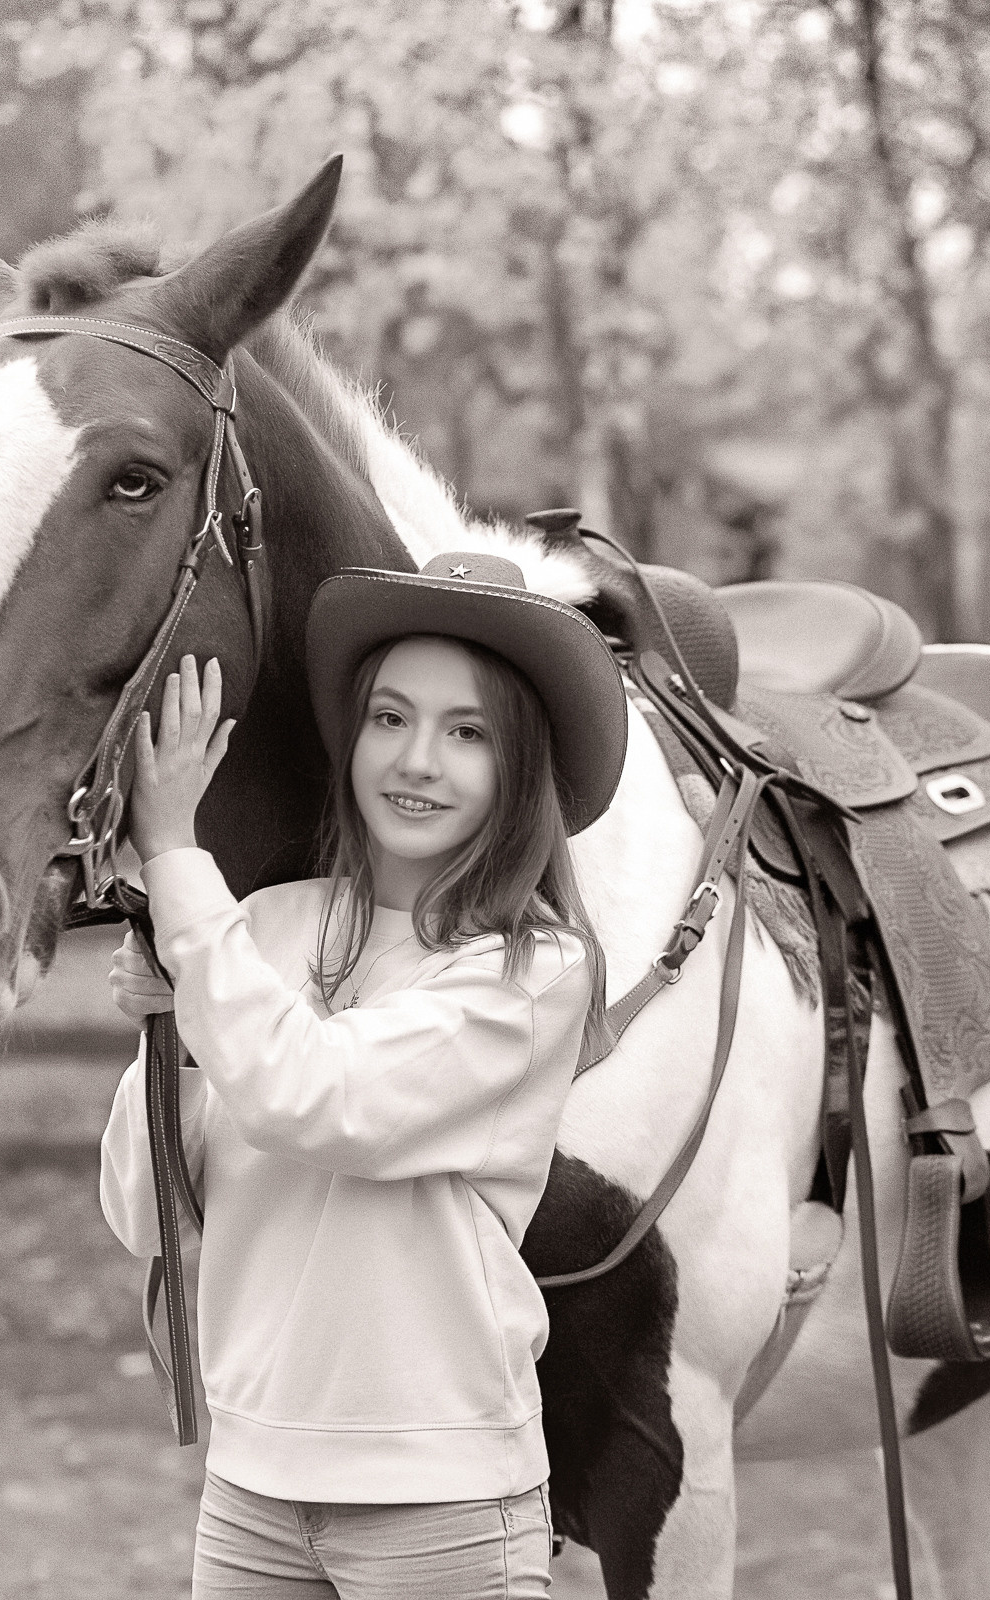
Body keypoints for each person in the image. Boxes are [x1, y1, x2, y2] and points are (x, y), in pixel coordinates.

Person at [98, 550, 629, 1599]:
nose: (417, 759)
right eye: (391, 717)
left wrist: (175, 858)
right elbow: (144, 1210)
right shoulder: (259, 930)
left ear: (517, 770)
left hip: (443, 1506)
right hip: (249, 1491)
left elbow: (320, 1098)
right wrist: (176, 1032)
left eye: (467, 732)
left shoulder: (530, 975)